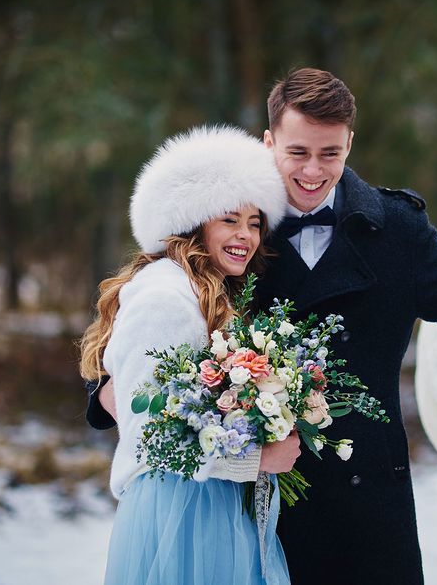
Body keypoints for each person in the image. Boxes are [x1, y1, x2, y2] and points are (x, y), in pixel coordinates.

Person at [85, 69, 437, 585]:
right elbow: (151, 317)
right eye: (297, 153)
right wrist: (107, 392)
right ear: (268, 143)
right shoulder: (233, 231)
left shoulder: (396, 232)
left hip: (370, 506)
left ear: (349, 145)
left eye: (330, 153)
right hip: (258, 504)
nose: (313, 171)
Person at [79, 125, 299, 585]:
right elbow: (150, 441)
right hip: (178, 514)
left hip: (208, 503)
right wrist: (258, 459)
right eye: (229, 219)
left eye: (255, 222)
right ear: (193, 221)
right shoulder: (165, 296)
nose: (246, 235)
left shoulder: (209, 294)